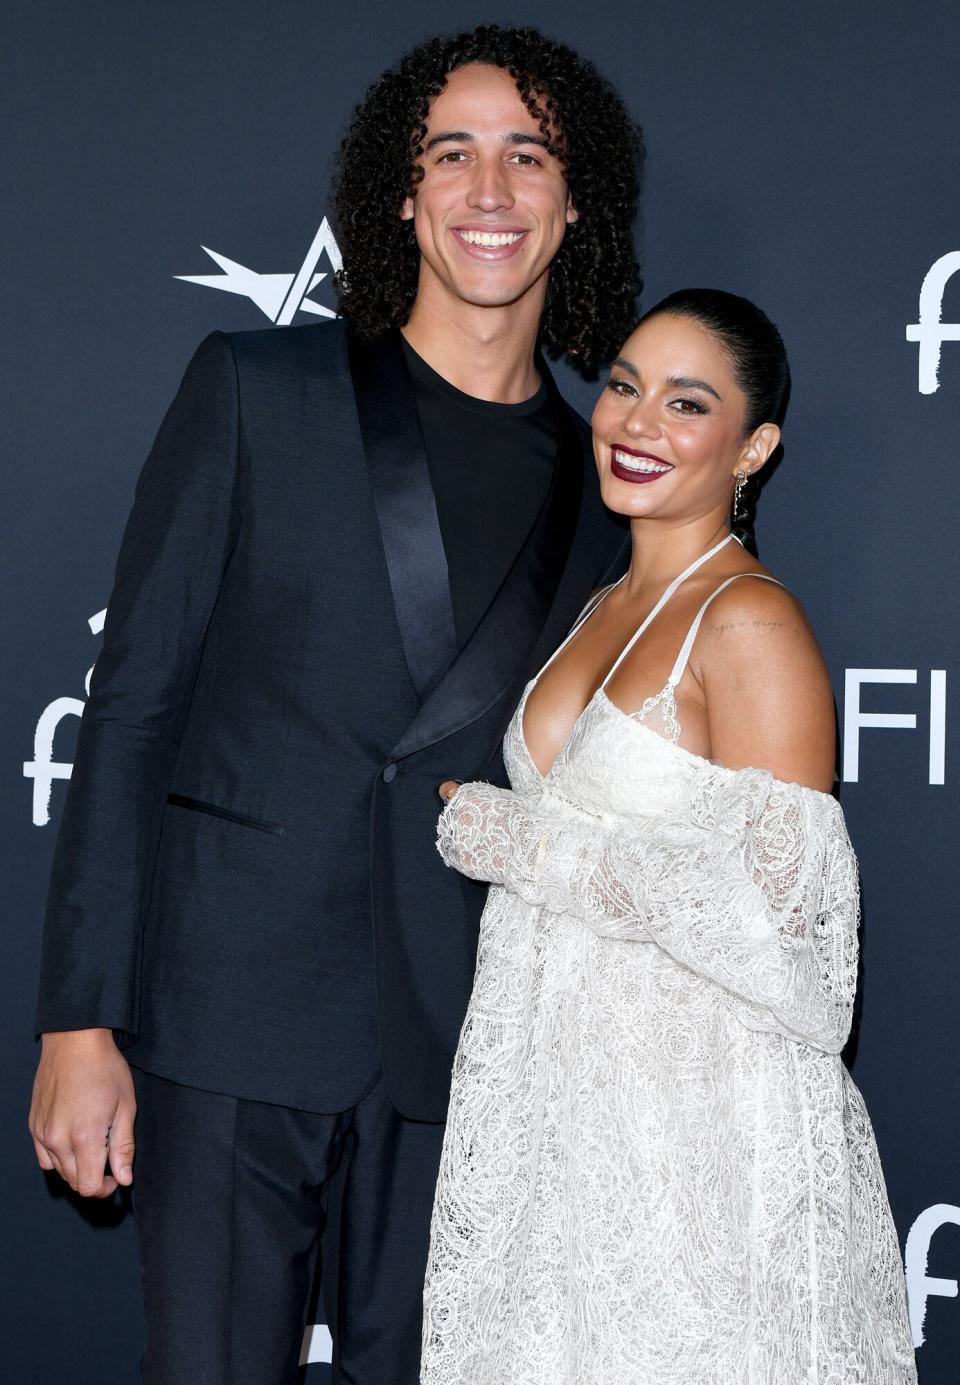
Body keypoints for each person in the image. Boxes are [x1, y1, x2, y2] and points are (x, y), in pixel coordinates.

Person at [27, 26, 641, 1385]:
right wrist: (80, 1019)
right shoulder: (258, 390)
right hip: (227, 1019)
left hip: (468, 1056)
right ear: (403, 196)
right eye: (454, 153)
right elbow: (128, 713)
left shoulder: (612, 495)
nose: (491, 188)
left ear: (574, 199)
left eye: (528, 154)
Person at [424, 289, 918, 1384]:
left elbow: (796, 947)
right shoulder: (602, 600)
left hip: (698, 1144)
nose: (636, 422)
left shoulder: (748, 621)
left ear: (754, 447)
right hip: (557, 1120)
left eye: (686, 402)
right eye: (625, 386)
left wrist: (522, 843)